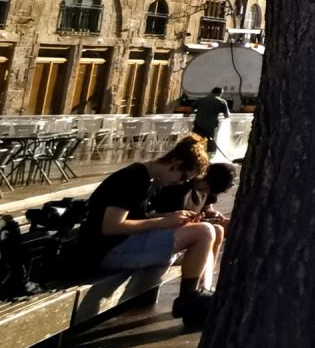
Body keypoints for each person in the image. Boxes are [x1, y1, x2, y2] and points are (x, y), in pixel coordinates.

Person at [69, 135, 218, 326]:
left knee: (206, 233)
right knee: (204, 231)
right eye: (183, 177)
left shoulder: (146, 179)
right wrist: (163, 223)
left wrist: (170, 218)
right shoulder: (133, 179)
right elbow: (111, 227)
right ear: (175, 164)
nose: (181, 183)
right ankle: (187, 299)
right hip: (104, 252)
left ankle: (197, 294)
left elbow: (136, 218)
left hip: (116, 247)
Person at [190, 85, 231, 157]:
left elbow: (190, 110)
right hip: (210, 126)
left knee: (196, 142)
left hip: (198, 125)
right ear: (220, 93)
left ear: (211, 92)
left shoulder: (201, 100)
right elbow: (227, 116)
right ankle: (209, 159)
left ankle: (194, 157)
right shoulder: (221, 102)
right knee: (210, 144)